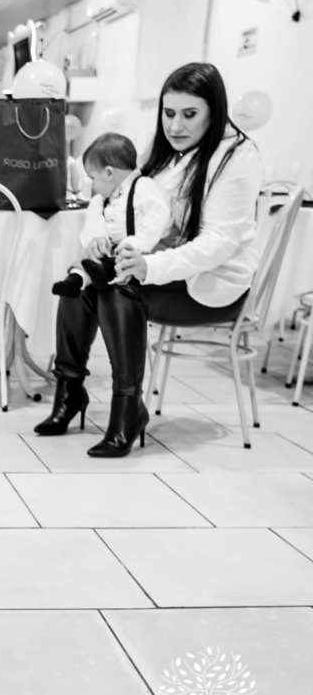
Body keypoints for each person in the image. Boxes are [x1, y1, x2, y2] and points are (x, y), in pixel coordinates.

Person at [35, 63, 263, 457]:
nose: (175, 125)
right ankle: (69, 393)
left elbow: (219, 244)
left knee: (119, 288)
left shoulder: (237, 158)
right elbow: (108, 196)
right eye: (168, 112)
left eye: (189, 115)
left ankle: (128, 411)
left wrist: (149, 266)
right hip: (159, 269)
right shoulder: (153, 145)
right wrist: (95, 241)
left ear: (215, 111)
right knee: (82, 279)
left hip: (210, 284)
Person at [51, 133, 169, 298]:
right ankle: (75, 280)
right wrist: (97, 241)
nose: (92, 185)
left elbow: (157, 218)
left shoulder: (144, 187)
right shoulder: (100, 201)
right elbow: (93, 224)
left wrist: (135, 243)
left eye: (93, 178)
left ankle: (103, 274)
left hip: (140, 251)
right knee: (87, 257)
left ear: (109, 174)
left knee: (122, 264)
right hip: (111, 250)